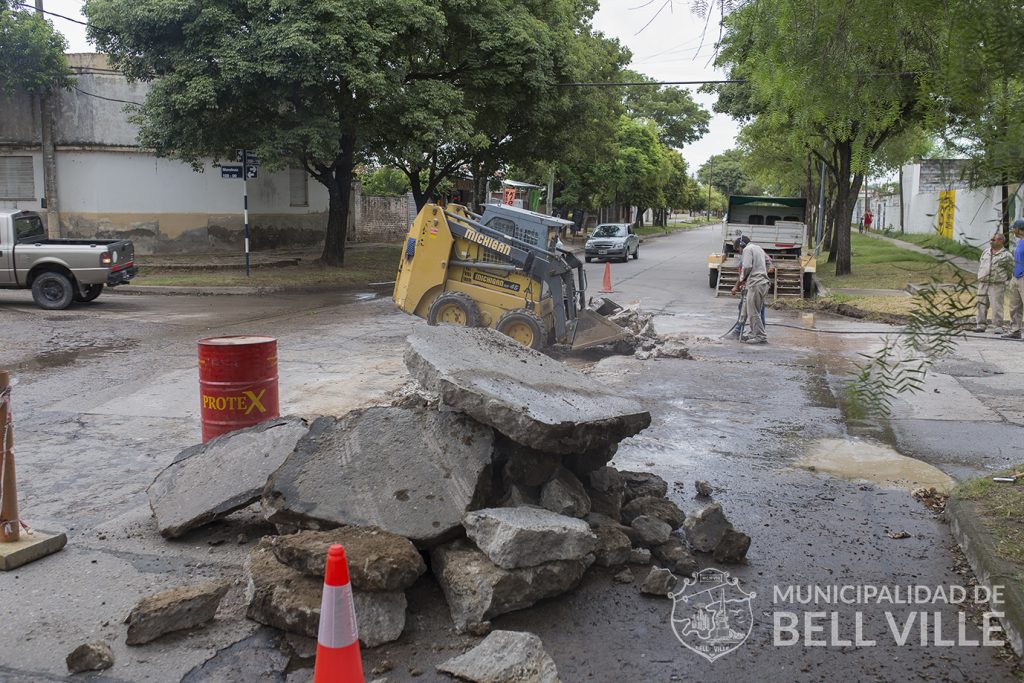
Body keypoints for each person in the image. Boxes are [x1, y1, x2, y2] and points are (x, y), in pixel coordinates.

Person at [730, 235, 770, 344]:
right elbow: (768, 262)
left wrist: (743, 279)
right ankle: (753, 334)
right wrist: (762, 273)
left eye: (738, 249)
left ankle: (761, 337)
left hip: (755, 284)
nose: (739, 252)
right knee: (754, 311)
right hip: (763, 283)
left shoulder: (747, 249)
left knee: (753, 313)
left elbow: (746, 266)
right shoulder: (758, 248)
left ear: (741, 245)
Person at [973, 232, 1014, 333]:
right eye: (991, 239)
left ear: (1000, 241)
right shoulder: (986, 252)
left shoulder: (1007, 255)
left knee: (996, 306)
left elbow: (1010, 269)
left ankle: (997, 326)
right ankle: (980, 325)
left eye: (993, 240)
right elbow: (981, 264)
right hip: (983, 282)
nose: (990, 241)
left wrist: (1005, 280)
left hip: (996, 284)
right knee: (981, 304)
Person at [1003, 219, 1024, 339]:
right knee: (1014, 305)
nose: (1013, 230)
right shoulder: (1019, 241)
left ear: (1020, 229)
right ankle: (1015, 330)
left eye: (1014, 228)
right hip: (1015, 277)